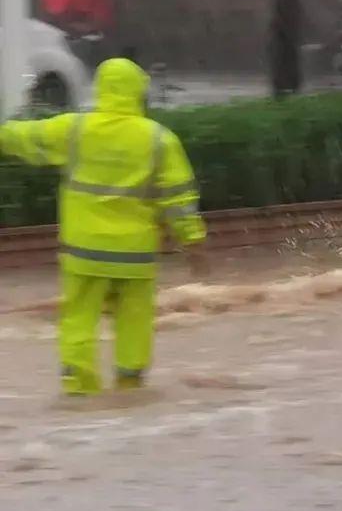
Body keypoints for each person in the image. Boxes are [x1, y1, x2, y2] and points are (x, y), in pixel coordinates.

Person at [0, 57, 207, 396]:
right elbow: (180, 200)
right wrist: (194, 245)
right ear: (139, 92)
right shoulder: (158, 140)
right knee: (134, 321)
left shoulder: (76, 129)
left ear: (100, 90)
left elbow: (23, 138)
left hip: (84, 253)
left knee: (79, 320)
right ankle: (130, 387)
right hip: (135, 256)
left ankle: (80, 392)